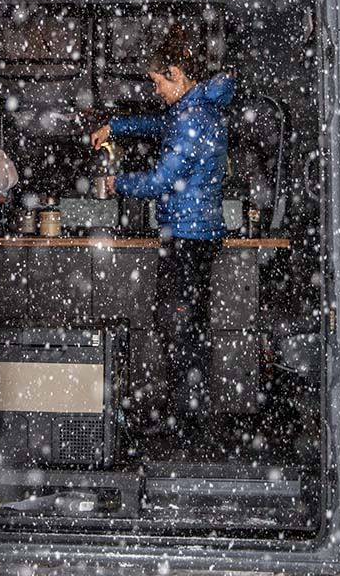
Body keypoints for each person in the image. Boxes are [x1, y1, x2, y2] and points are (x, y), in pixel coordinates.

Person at [91, 32, 233, 446]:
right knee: (185, 327)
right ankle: (189, 417)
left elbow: (160, 181)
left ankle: (186, 423)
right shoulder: (197, 108)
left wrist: (118, 183)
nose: (155, 90)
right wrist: (115, 125)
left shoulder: (191, 119)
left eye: (158, 81)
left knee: (178, 327)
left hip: (187, 237)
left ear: (177, 75)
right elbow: (158, 124)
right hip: (194, 234)